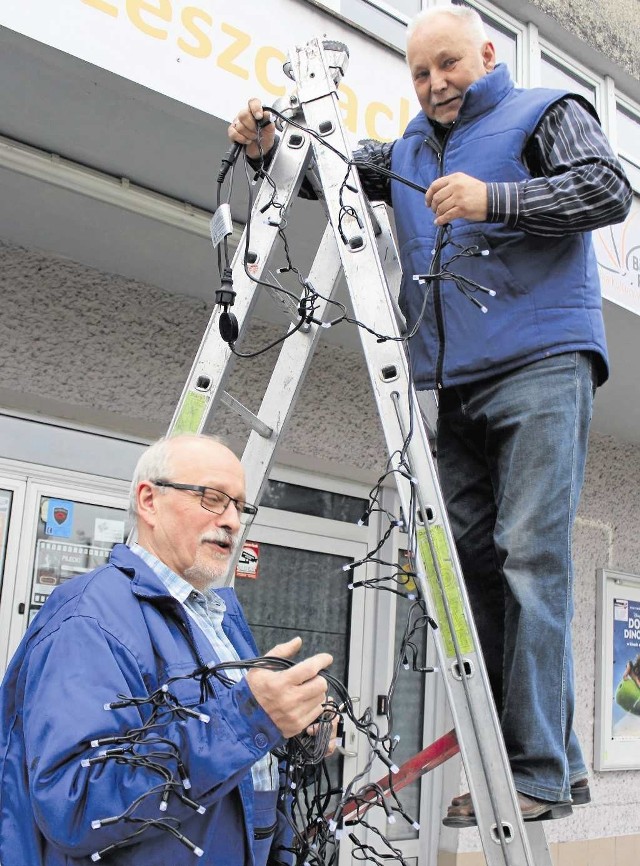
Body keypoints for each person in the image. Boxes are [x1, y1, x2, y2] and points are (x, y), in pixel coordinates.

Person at [227, 3, 632, 827]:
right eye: (419, 72)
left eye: (447, 65)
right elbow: (330, 171)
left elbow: (608, 189)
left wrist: (497, 200)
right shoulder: (408, 149)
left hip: (541, 362)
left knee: (530, 561)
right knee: (471, 568)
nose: (434, 83)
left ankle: (540, 771)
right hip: (457, 379)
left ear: (486, 54)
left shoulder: (545, 113)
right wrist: (269, 148)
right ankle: (560, 764)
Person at [0, 433, 333, 865]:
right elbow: (75, 805)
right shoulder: (89, 619)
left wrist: (292, 731)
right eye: (213, 498)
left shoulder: (216, 618)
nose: (233, 520)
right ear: (149, 501)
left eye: (241, 506)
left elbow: (230, 773)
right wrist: (247, 719)